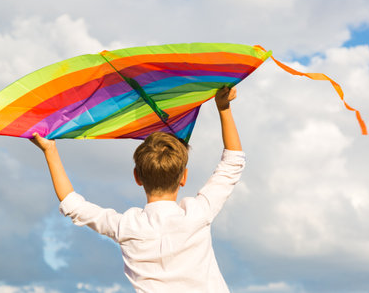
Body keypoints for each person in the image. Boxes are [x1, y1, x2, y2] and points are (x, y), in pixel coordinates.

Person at [31, 86, 245, 292]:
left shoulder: (127, 226)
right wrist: (223, 108)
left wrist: (50, 150)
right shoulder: (198, 213)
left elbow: (74, 206)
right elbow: (232, 162)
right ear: (184, 178)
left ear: (137, 177)